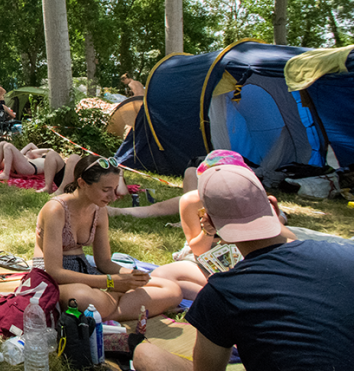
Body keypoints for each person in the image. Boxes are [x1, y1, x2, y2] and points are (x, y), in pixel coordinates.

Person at [129, 161, 354, 371]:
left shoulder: (221, 292)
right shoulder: (347, 255)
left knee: (145, 354)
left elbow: (207, 369)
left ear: (210, 222)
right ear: (273, 206)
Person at [33, 155, 182, 321]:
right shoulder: (56, 209)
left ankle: (104, 312)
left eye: (114, 188)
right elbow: (55, 272)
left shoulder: (99, 210)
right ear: (82, 183)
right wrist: (111, 283)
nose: (113, 196)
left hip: (88, 275)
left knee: (171, 289)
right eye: (106, 190)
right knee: (83, 298)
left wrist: (131, 275)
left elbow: (104, 262)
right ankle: (118, 308)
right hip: (52, 280)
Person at [147, 151, 296, 300]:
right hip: (207, 259)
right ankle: (229, 294)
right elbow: (198, 250)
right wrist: (208, 231)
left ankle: (223, 294)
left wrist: (269, 224)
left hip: (247, 258)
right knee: (161, 276)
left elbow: (289, 239)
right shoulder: (191, 201)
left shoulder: (250, 197)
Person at [0, 142, 70, 194]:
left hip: (30, 167)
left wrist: (48, 151)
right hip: (24, 164)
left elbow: (51, 152)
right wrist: (47, 149)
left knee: (8, 146)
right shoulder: (34, 154)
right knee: (2, 143)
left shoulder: (47, 159)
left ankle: (5, 174)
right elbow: (31, 145)